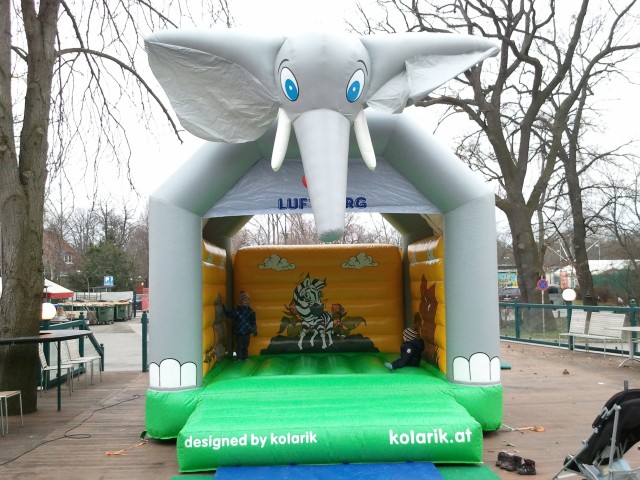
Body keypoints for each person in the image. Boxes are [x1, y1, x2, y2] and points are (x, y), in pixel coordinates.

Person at [223, 291, 257, 361]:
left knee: (246, 346)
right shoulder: (237, 310)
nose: (247, 302)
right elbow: (231, 314)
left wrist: (254, 330)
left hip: (247, 332)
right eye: (245, 300)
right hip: (239, 332)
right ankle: (238, 357)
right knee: (239, 345)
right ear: (241, 301)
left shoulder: (250, 311)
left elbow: (253, 321)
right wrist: (225, 311)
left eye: (248, 300)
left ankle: (245, 357)